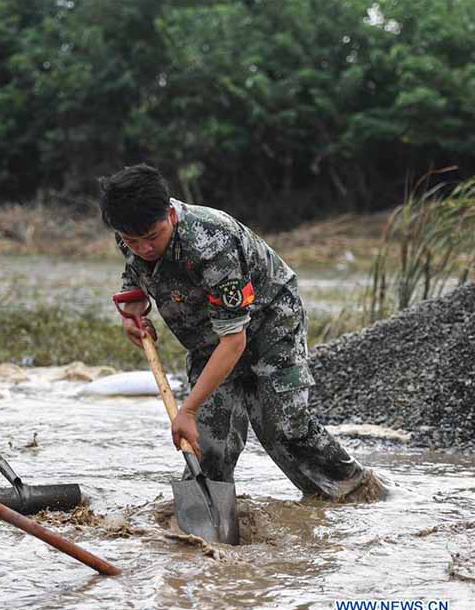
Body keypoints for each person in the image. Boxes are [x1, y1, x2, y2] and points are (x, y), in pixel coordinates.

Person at [100, 164, 384, 503]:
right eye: (132, 240)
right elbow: (136, 272)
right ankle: (205, 520)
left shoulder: (210, 243)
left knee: (284, 428)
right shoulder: (129, 233)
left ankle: (358, 496)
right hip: (205, 330)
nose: (144, 248)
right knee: (208, 440)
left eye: (152, 237)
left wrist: (186, 410)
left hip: (269, 322)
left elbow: (235, 340)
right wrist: (132, 309)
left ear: (170, 215)